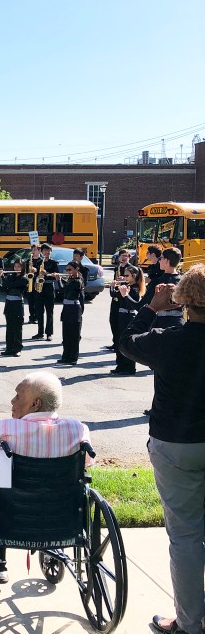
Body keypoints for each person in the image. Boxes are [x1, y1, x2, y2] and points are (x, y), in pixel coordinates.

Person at [118, 265, 205, 634]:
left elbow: (126, 341)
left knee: (185, 535)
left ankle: (188, 623)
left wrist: (150, 306)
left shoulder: (167, 339)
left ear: (182, 300)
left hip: (175, 443)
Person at [0, 371, 93, 583]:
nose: (12, 401)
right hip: (62, 514)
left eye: (17, 396)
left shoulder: (5, 429)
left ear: (35, 404)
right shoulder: (78, 430)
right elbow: (87, 462)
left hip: (13, 515)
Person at [111, 265, 145, 376]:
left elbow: (130, 303)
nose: (124, 277)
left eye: (127, 275)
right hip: (121, 315)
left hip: (128, 315)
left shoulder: (134, 288)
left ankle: (129, 367)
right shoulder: (126, 286)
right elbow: (114, 295)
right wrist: (113, 287)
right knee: (118, 340)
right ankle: (120, 365)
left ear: (134, 276)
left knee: (127, 341)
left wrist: (124, 293)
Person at [57, 261, 84, 365]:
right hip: (67, 308)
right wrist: (61, 279)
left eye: (70, 270)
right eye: (66, 270)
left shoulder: (78, 281)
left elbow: (64, 289)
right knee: (66, 335)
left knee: (73, 335)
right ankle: (65, 356)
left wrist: (59, 280)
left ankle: (72, 358)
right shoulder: (70, 279)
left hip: (74, 309)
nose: (67, 272)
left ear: (76, 269)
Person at [106, 248, 133, 351]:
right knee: (113, 319)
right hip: (116, 294)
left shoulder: (131, 268)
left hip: (124, 294)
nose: (123, 257)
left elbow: (133, 281)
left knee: (120, 321)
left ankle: (119, 343)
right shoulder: (117, 268)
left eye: (126, 255)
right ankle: (115, 341)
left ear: (129, 257)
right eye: (122, 256)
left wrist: (124, 279)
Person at [152, 247, 185, 330]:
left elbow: (141, 305)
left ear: (167, 260)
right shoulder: (184, 280)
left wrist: (126, 295)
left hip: (160, 324)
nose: (159, 260)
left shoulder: (158, 282)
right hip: (179, 322)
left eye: (161, 258)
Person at [1, 259, 28, 357]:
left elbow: (10, 285)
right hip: (9, 303)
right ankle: (9, 348)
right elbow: (3, 288)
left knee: (17, 327)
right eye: (15, 266)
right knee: (9, 327)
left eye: (19, 267)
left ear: (22, 268)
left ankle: (17, 348)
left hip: (17, 304)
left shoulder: (24, 279)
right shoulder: (10, 277)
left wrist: (3, 277)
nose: (16, 268)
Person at [33, 244, 59, 341]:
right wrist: (34, 271)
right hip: (39, 288)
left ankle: (49, 333)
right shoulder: (38, 262)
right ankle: (40, 332)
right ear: (41, 251)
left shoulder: (53, 263)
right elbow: (33, 275)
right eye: (45, 251)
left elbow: (56, 275)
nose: (47, 252)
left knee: (49, 311)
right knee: (39, 311)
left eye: (49, 251)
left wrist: (46, 273)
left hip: (48, 287)